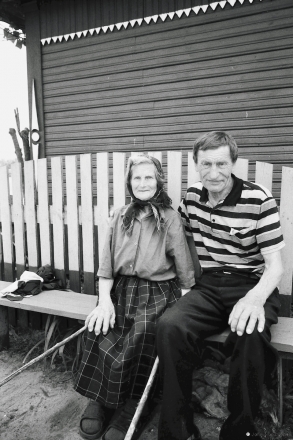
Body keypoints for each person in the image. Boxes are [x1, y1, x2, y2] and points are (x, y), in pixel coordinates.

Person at [156, 131, 284, 440]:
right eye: (207, 164)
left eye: (222, 164)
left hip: (253, 284)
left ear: (234, 163)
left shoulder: (258, 198)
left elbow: (276, 266)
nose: (214, 173)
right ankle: (177, 428)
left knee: (250, 332)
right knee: (170, 326)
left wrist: (254, 299)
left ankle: (239, 431)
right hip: (210, 284)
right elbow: (176, 229)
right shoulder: (193, 196)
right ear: (196, 164)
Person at [75, 154, 195, 440]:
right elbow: (106, 266)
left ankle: (133, 405)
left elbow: (185, 269)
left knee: (143, 333)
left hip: (156, 293)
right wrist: (104, 301)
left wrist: (184, 308)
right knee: (99, 327)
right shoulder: (119, 215)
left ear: (158, 181)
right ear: (129, 182)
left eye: (149, 177)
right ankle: (100, 398)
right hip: (118, 289)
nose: (143, 183)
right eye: (137, 177)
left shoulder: (170, 218)